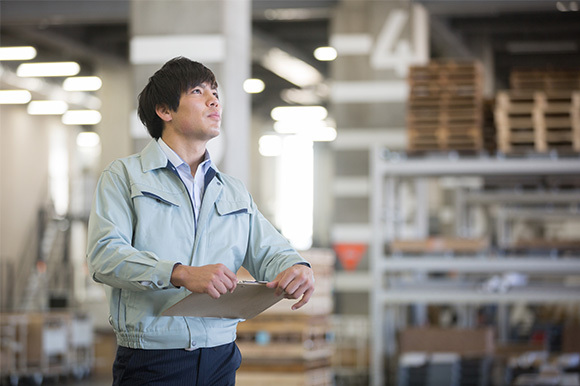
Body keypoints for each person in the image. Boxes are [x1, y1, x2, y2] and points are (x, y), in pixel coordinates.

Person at [86, 56, 315, 385]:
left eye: (215, 92)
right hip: (154, 358)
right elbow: (104, 257)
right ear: (165, 111)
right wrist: (179, 274)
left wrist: (296, 267)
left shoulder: (231, 190)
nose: (214, 100)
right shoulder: (124, 176)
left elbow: (270, 249)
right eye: (198, 91)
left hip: (220, 357)